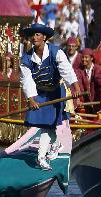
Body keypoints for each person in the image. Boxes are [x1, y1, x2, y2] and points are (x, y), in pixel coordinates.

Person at [19, 23, 81, 170]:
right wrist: (31, 99)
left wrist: (76, 88)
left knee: (48, 125)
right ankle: (55, 144)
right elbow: (27, 80)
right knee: (44, 125)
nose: (34, 38)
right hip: (39, 93)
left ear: (44, 37)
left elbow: (67, 70)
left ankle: (41, 157)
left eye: (37, 35)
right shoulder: (26, 59)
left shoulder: (56, 52)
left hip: (56, 92)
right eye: (33, 35)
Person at [73, 48, 101, 114]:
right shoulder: (79, 70)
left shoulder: (99, 69)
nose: (84, 59)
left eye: (86, 57)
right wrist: (78, 98)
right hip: (85, 103)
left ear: (91, 58)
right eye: (82, 57)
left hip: (98, 102)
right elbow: (78, 84)